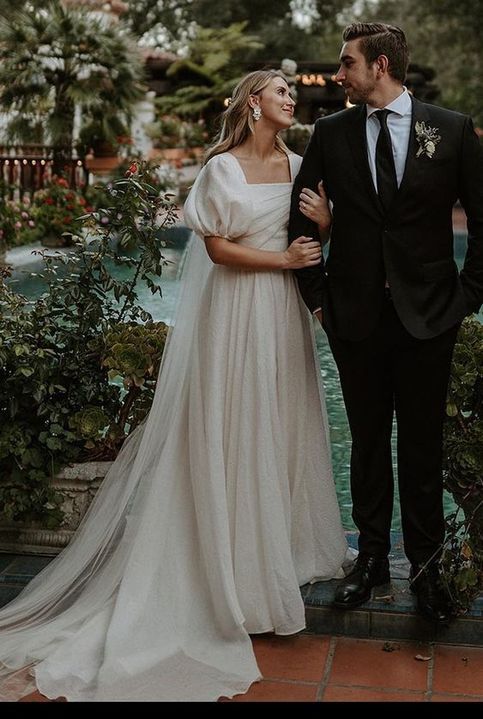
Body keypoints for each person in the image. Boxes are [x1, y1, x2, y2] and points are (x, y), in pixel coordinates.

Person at [0, 70, 353, 702]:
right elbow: (218, 249)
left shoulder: (303, 163)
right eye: (280, 93)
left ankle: (275, 553)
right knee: (231, 424)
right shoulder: (220, 169)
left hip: (282, 316)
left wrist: (326, 226)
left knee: (279, 423)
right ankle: (225, 564)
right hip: (237, 309)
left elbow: (315, 237)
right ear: (254, 103)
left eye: (290, 95)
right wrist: (283, 260)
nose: (290, 100)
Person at [289, 22, 483, 624]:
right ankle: (369, 559)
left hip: (430, 318)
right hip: (356, 319)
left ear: (379, 66)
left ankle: (425, 568)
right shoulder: (331, 132)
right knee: (368, 444)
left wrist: (466, 297)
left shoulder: (449, 130)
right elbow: (299, 224)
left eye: (347, 63)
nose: (338, 73)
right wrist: (321, 301)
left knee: (421, 447)